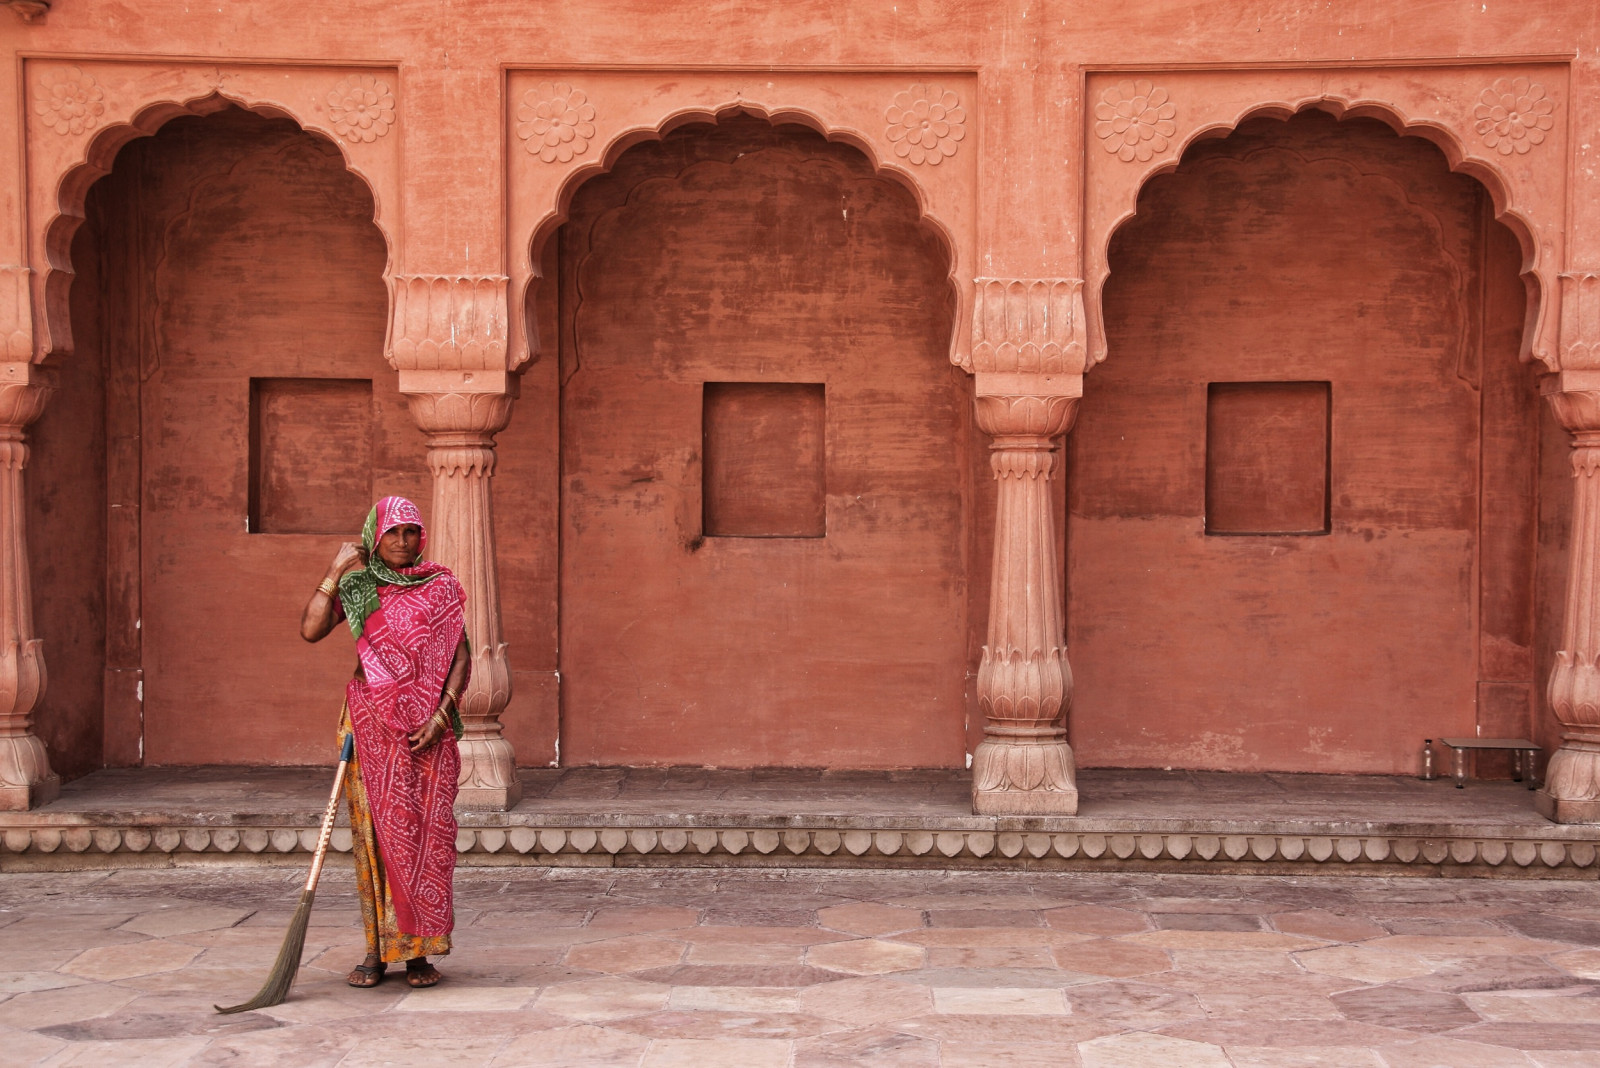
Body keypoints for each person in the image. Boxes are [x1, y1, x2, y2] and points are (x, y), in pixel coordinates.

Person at [299, 495, 470, 990]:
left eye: (411, 531)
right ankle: (376, 950)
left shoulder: (440, 588)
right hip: (369, 729)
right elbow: (310, 629)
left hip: (424, 735)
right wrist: (335, 569)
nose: (402, 541)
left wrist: (441, 717)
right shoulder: (358, 587)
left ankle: (418, 955)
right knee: (374, 840)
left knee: (423, 841)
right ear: (374, 536)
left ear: (422, 537)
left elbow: (460, 656)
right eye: (392, 532)